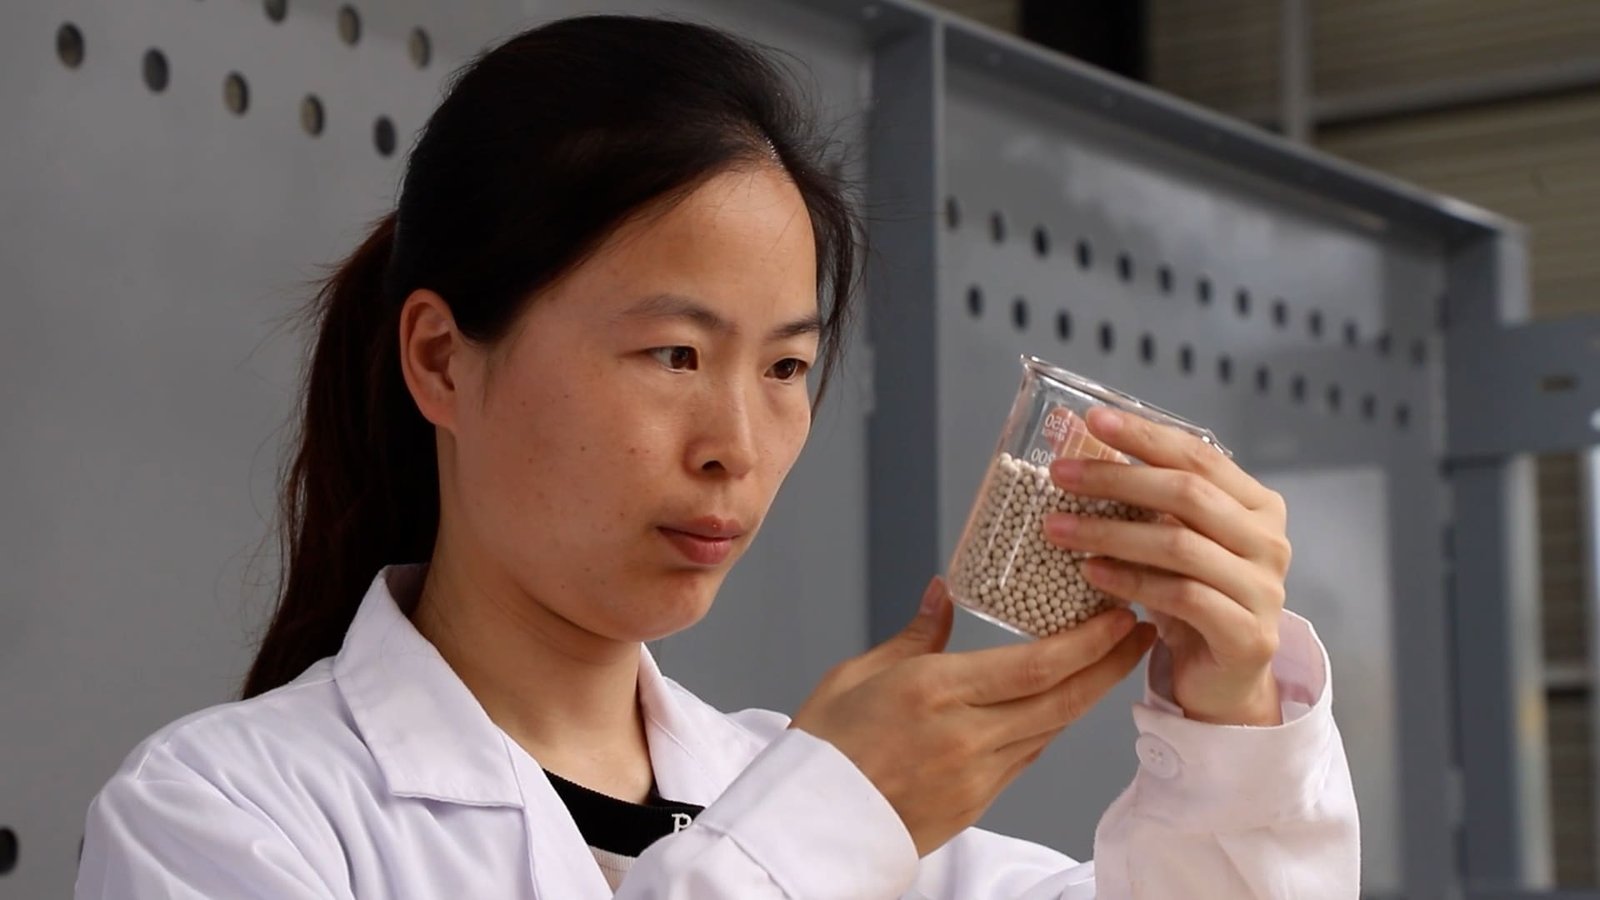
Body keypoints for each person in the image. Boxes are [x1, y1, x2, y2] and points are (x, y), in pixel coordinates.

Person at [76, 14, 1358, 899]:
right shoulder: (224, 818)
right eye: (673, 357)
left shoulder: (879, 834)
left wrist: (1231, 722)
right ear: (440, 359)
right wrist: (826, 827)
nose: (735, 449)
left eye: (787, 369)